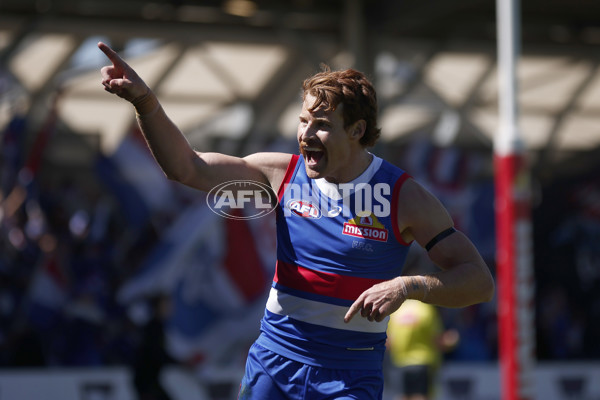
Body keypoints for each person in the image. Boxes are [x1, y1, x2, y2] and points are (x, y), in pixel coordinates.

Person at [98, 41, 495, 400]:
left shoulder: (404, 196)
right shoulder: (281, 174)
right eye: (304, 121)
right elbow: (187, 167)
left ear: (357, 130)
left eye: (322, 125)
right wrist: (145, 103)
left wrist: (408, 285)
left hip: (350, 378)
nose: (306, 134)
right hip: (274, 365)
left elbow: (478, 281)